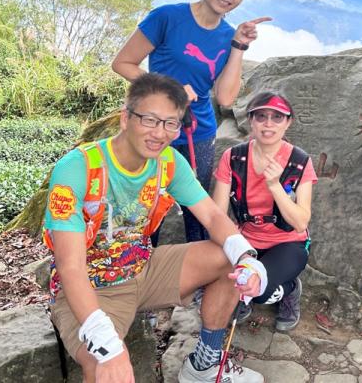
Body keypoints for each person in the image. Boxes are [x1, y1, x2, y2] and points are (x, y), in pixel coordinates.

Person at [43, 73, 267, 383]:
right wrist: (106, 342)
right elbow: (70, 267)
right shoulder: (78, 167)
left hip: (143, 268)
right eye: (149, 120)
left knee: (228, 258)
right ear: (125, 118)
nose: (159, 133)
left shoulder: (169, 162)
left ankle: (204, 364)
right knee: (103, 363)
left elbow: (213, 217)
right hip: (92, 285)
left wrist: (246, 257)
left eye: (171, 123)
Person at [112, 0, 271, 243]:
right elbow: (122, 63)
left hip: (198, 132)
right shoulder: (167, 17)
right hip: (154, 126)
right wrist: (169, 88)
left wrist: (239, 45)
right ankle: (140, 266)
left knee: (196, 211)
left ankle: (196, 269)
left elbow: (225, 98)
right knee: (146, 207)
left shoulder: (227, 36)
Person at [212, 91, 317, 332]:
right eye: (261, 116)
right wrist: (237, 249)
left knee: (259, 291)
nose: (268, 124)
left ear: (288, 122)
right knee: (229, 278)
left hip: (287, 243)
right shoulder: (233, 157)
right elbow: (217, 214)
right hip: (246, 240)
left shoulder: (300, 161)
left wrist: (274, 185)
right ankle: (242, 296)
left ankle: (290, 290)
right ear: (251, 120)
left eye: (277, 117)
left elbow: (300, 222)